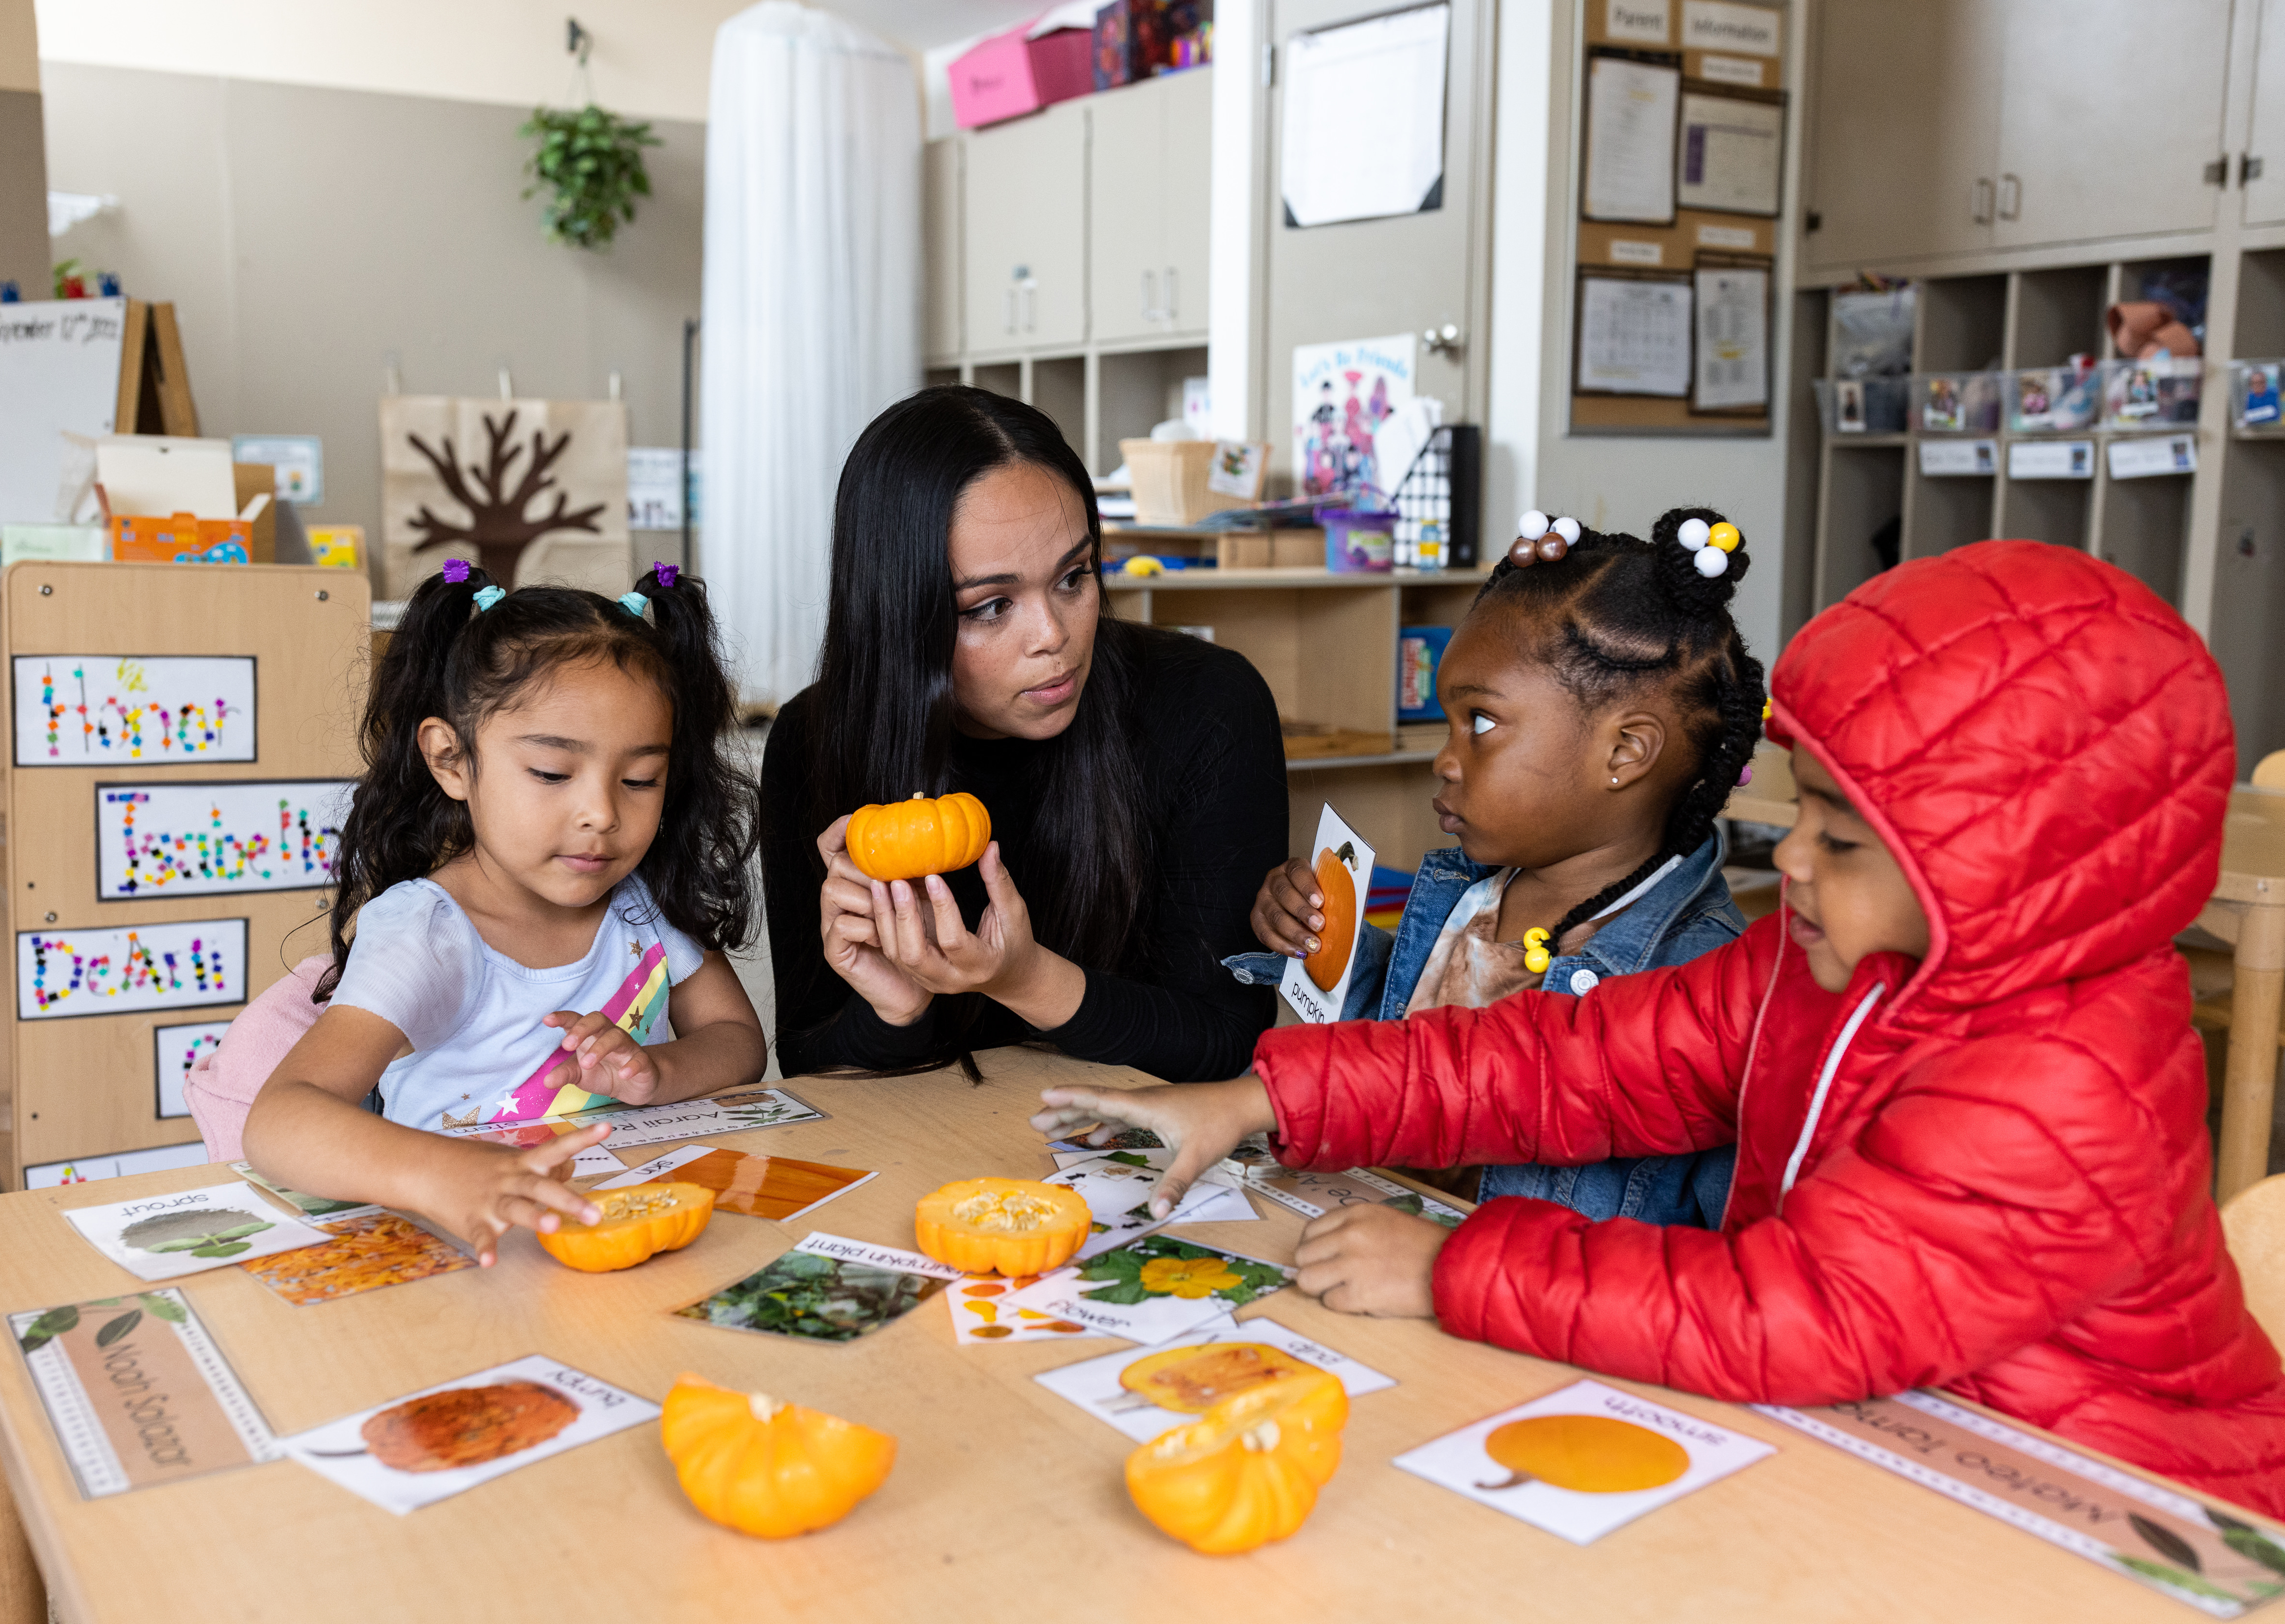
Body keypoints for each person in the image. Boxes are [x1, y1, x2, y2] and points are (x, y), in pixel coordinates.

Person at [1031, 540, 2285, 1514]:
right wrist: (1265, 1099)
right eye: (1803, 818)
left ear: (2007, 875)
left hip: (2110, 1510)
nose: (1787, 860)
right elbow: (1575, 1059)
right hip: (1889, 1439)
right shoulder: (1819, 963)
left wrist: (1454, 1267)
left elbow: (1802, 1312)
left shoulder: (2062, 1088)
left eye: (1840, 841)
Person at [1230, 508, 1761, 1227]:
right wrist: (1326, 941)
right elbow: (1403, 1051)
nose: (1444, 761)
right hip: (1378, 1256)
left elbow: (1727, 1244)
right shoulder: (1471, 896)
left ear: (1625, 754)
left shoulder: (1701, 984)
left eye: (1480, 723)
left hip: (1522, 1313)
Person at [240, 561, 767, 1265]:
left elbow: (737, 1040)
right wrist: (447, 1173)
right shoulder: (429, 933)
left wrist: (656, 1072)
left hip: (618, 1234)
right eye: (552, 773)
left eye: (641, 779)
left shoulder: (640, 906)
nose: (602, 815)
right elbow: (280, 1121)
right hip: (466, 1261)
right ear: (451, 759)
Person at [760, 385, 1286, 1083]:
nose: (1055, 638)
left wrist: (1027, 978)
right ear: (900, 615)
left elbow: (1226, 1040)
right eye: (992, 606)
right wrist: (895, 1010)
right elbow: (805, 1055)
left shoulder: (1209, 706)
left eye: (1075, 577)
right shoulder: (815, 737)